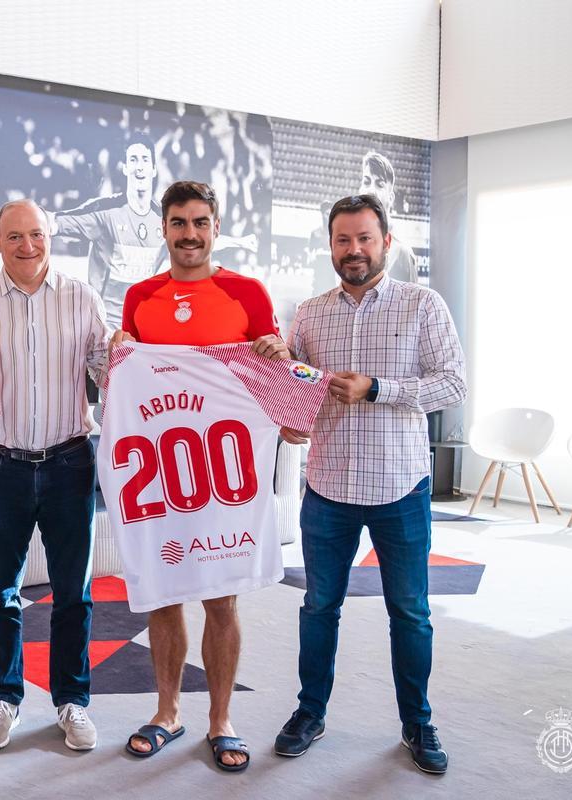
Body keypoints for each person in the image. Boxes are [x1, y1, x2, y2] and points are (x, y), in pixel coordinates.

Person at [274, 194, 466, 774]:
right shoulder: (308, 313)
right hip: (328, 487)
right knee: (318, 608)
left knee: (409, 611)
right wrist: (290, 416)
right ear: (329, 245)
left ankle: (418, 722)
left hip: (399, 489)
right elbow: (296, 385)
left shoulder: (422, 305)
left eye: (364, 238)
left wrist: (379, 388)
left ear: (386, 241)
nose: (353, 250)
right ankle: (310, 713)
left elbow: (453, 383)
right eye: (342, 240)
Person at [113, 180, 290, 772]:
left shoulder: (247, 293)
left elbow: (273, 381)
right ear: (163, 228)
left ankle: (221, 718)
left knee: (220, 598)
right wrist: (119, 351)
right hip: (161, 470)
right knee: (162, 598)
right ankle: (168, 711)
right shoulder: (140, 296)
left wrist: (274, 357)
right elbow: (128, 378)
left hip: (224, 472)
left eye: (200, 222)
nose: (190, 234)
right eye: (179, 223)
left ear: (215, 227)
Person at [0, 198, 109, 751]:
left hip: (69, 461)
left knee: (74, 594)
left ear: (51, 236)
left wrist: (129, 354)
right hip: (2, 463)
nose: (27, 246)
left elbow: (108, 367)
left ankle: (71, 700)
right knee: (1, 593)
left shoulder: (82, 297)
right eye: (14, 236)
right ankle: (5, 698)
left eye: (36, 234)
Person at [53, 137, 256, 329]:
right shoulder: (105, 212)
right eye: (133, 159)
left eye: (144, 160)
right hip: (104, 329)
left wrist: (240, 242)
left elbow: (197, 241)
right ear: (125, 168)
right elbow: (54, 222)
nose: (139, 166)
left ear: (153, 169)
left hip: (141, 330)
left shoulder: (165, 218)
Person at [359, 151, 418, 283]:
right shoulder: (351, 245)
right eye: (367, 182)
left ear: (391, 198)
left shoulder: (402, 253)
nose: (371, 190)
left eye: (379, 184)